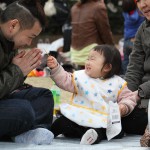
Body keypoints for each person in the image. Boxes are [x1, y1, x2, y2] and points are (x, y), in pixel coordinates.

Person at [47, 45, 139, 145]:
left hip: (100, 119)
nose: (87, 62)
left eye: (92, 59)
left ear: (107, 67)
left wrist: (123, 107)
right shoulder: (81, 77)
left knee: (105, 130)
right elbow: (64, 79)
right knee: (61, 123)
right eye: (87, 58)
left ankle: (92, 136)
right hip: (76, 116)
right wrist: (56, 68)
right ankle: (48, 133)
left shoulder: (118, 83)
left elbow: (129, 98)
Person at [0, 0, 54, 145]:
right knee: (23, 111)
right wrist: (17, 71)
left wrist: (20, 72)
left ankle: (30, 132)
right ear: (13, 25)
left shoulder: (9, 42)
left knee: (44, 96)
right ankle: (18, 132)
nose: (30, 43)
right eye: (30, 37)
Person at [121, 0, 150, 135]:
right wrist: (124, 94)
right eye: (138, 1)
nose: (142, 5)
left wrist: (140, 92)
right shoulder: (142, 28)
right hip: (142, 98)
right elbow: (134, 68)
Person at [70, 0, 114, 70]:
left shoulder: (74, 8)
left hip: (75, 55)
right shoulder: (98, 7)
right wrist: (112, 49)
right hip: (92, 53)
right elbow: (105, 32)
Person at [122, 0, 144, 74]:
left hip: (126, 40)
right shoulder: (140, 13)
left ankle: (125, 77)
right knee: (136, 62)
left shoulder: (125, 14)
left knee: (126, 60)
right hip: (135, 40)